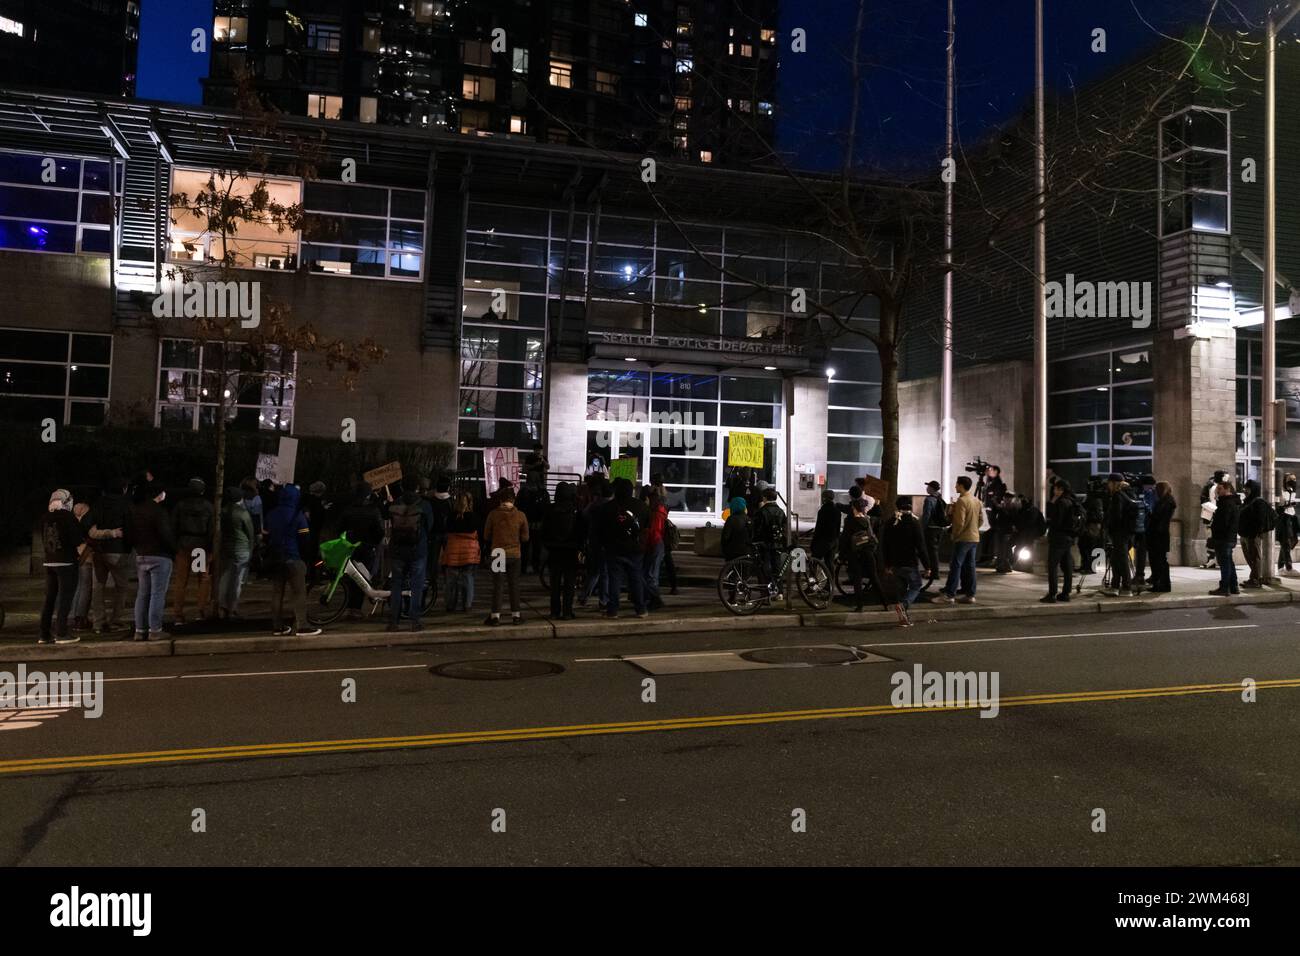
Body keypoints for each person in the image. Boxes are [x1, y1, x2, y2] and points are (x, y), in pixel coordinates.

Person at [265, 483, 321, 637]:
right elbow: (305, 539)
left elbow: (267, 534)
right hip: (293, 557)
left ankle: (277, 626)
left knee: (277, 593)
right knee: (299, 593)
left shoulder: (271, 514)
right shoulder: (298, 515)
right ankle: (302, 625)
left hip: (276, 558)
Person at [125, 481, 175, 642]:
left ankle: (140, 630)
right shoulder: (158, 511)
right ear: (159, 494)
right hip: (159, 556)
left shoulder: (135, 510)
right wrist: (174, 550)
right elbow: (166, 535)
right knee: (157, 594)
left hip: (141, 555)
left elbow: (129, 533)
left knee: (142, 593)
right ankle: (155, 629)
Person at [39, 489, 87, 645]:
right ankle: (61, 633)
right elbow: (77, 539)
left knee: (49, 599)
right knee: (65, 599)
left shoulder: (45, 517)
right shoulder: (67, 517)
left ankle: (44, 634)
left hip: (49, 561)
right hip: (66, 562)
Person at [386, 476, 434, 632]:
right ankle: (415, 621)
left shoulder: (396, 503)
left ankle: (394, 621)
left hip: (398, 550)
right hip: (417, 550)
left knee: (396, 585)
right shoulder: (424, 504)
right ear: (417, 488)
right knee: (416, 586)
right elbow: (430, 526)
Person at [88, 475, 132, 635]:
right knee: (121, 588)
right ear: (123, 488)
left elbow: (87, 525)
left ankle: (98, 623)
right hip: (119, 551)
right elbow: (131, 527)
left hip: (99, 551)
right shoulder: (126, 504)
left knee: (98, 587)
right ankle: (116, 620)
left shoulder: (99, 503)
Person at [599, 477, 648, 619]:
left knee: (614, 579)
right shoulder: (641, 506)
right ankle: (640, 609)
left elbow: (601, 529)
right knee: (636, 578)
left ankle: (613, 610)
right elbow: (646, 525)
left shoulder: (608, 507)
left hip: (614, 548)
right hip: (635, 548)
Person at [482, 485, 529, 625]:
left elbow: (486, 535)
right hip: (514, 554)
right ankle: (516, 615)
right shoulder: (521, 515)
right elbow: (525, 537)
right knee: (514, 585)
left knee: (498, 585)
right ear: (513, 500)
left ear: (500, 500)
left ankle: (495, 616)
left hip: (498, 553)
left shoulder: (493, 514)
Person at [171, 477, 214, 624]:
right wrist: (210, 548)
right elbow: (211, 529)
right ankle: (201, 611)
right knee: (202, 579)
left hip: (183, 544)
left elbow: (173, 526)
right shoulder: (208, 506)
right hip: (200, 546)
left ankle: (178, 614)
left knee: (181, 581)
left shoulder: (180, 505)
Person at [543, 481, 586, 620]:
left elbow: (544, 530)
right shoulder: (575, 510)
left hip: (554, 551)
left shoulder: (550, 509)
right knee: (569, 584)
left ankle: (554, 611)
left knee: (554, 584)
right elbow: (581, 531)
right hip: (571, 551)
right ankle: (567, 611)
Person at [882, 496, 927, 626]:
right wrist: (927, 565)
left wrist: (887, 563)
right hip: (910, 562)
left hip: (895, 563)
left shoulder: (891, 522)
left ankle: (903, 618)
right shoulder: (914, 522)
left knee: (901, 589)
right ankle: (903, 605)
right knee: (915, 586)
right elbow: (921, 546)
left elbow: (885, 544)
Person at [838, 497, 886, 612]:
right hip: (868, 553)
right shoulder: (868, 519)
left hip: (855, 553)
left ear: (854, 508)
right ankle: (885, 602)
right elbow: (874, 530)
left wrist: (841, 555)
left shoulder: (850, 521)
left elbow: (845, 538)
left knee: (857, 580)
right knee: (874, 578)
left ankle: (860, 605)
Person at [938, 475, 981, 604]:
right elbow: (981, 520)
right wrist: (973, 529)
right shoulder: (976, 500)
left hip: (963, 538)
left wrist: (955, 535)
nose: (955, 486)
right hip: (974, 537)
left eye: (957, 484)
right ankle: (970, 594)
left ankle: (949, 594)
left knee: (956, 566)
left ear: (961, 485)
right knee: (970, 566)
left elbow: (959, 522)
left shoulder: (962, 501)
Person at [217, 487, 255, 619]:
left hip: (226, 548)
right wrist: (252, 549)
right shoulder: (242, 513)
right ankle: (232, 608)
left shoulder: (221, 511)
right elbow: (250, 532)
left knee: (225, 578)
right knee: (237, 580)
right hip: (241, 548)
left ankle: (221, 606)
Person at [442, 492, 481, 613]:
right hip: (469, 552)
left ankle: (450, 604)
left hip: (453, 551)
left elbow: (446, 531)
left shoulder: (451, 517)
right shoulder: (474, 517)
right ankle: (467, 604)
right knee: (468, 578)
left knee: (451, 581)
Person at [1043, 479, 1080, 602]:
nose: (1054, 491)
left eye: (1056, 489)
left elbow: (1056, 521)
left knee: (1052, 566)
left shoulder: (1061, 503)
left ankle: (1052, 594)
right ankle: (1066, 593)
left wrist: (1052, 506)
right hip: (1069, 538)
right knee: (1067, 566)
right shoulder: (1072, 501)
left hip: (1058, 538)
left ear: (1060, 489)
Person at [1103, 473, 1138, 597]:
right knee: (1116, 559)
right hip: (1128, 532)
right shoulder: (1130, 492)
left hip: (1119, 532)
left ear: (1114, 483)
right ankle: (1115, 585)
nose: (1107, 485)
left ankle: (1126, 587)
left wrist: (1110, 527)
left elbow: (1116, 516)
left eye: (1109, 483)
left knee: (1121, 560)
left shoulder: (1118, 495)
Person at [580, 477, 612, 607]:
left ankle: (584, 596)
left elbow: (584, 515)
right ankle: (603, 600)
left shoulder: (594, 505)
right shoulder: (610, 506)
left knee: (594, 571)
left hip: (594, 541)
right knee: (604, 573)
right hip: (605, 542)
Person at [751, 486, 787, 593]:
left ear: (765, 498)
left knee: (764, 568)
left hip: (764, 543)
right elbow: (784, 527)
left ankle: (765, 591)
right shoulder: (781, 511)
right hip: (777, 543)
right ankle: (779, 591)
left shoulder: (762, 511)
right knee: (777, 567)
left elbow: (757, 529)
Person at [1238, 478, 1271, 588]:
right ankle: (1254, 577)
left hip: (1252, 534)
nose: (1245, 490)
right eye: (1245, 488)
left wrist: (1257, 533)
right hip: (1244, 534)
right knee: (1250, 557)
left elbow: (1260, 520)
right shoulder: (1247, 501)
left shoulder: (1258, 501)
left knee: (1255, 556)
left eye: (1247, 488)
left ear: (1253, 489)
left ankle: (1256, 579)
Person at [1209, 480, 1240, 596]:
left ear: (1227, 489)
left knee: (1225, 563)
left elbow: (1224, 522)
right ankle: (1233, 586)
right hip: (1229, 537)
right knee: (1229, 562)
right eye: (1217, 489)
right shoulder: (1229, 502)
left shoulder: (1227, 503)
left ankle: (1224, 587)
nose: (1218, 491)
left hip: (1224, 537)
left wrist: (1214, 527)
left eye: (1220, 489)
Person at [640, 486, 668, 611]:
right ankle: (652, 598)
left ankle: (655, 599)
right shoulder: (659, 511)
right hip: (656, 544)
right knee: (650, 574)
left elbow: (653, 532)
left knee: (650, 574)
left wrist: (647, 545)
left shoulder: (656, 513)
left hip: (654, 544)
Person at [69, 500, 95, 631]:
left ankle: (76, 616)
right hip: (86, 557)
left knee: (79, 587)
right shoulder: (87, 524)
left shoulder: (72, 524)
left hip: (75, 556)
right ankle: (81, 618)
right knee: (86, 588)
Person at [1147, 481, 1176, 593]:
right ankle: (1159, 583)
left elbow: (1158, 517)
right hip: (1159, 535)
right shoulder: (1166, 501)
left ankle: (1161, 584)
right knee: (1158, 561)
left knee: (1159, 561)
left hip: (1159, 535)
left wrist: (1150, 515)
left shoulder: (1166, 502)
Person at [427, 475, 453, 595]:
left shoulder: (431, 501)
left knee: (433, 558)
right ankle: (448, 580)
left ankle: (432, 581)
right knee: (448, 559)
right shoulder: (450, 501)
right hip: (447, 532)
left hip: (434, 532)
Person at [1131, 474, 1156, 590]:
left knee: (1142, 553)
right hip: (1144, 527)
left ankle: (1140, 575)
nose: (1150, 488)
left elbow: (1149, 509)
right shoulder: (1149, 493)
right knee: (1141, 553)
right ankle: (1141, 574)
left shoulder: (1149, 494)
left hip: (1146, 528)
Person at [920, 480, 947, 584]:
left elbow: (927, 515)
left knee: (931, 551)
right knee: (934, 551)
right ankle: (934, 571)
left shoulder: (929, 500)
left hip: (931, 528)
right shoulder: (939, 497)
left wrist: (923, 527)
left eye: (928, 487)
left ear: (931, 488)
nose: (926, 488)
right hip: (939, 528)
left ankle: (934, 573)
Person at [811, 489, 842, 563]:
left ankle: (813, 574)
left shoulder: (823, 511)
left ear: (824, 498)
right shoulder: (837, 511)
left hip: (824, 540)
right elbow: (838, 527)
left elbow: (819, 527)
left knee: (815, 559)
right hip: (833, 540)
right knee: (829, 562)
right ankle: (831, 575)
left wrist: (814, 542)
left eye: (822, 497)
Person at [1277, 473, 1298, 575]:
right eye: (1290, 479)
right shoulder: (1281, 491)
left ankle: (1281, 567)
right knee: (1285, 543)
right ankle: (1288, 567)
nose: (1293, 481)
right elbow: (1279, 507)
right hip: (1283, 518)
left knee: (1287, 544)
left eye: (1294, 479)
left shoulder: (1292, 491)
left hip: (1291, 517)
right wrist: (1288, 504)